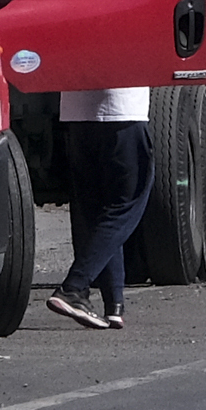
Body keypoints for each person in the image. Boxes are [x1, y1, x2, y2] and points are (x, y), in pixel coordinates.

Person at [46, 88, 154, 330]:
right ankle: (74, 287)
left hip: (77, 113)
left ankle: (113, 303)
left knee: (96, 211)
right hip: (123, 110)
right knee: (125, 205)